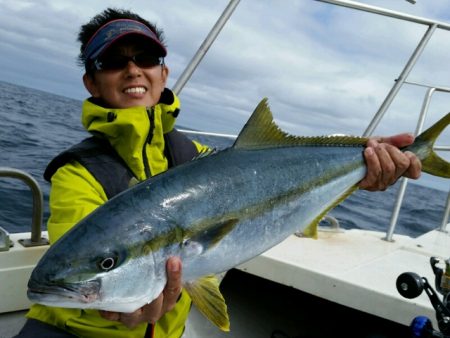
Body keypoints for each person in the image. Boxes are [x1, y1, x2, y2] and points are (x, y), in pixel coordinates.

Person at [14, 7, 421, 338]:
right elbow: (81, 267)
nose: (133, 70)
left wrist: (364, 166)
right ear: (92, 81)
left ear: (163, 74)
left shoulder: (199, 157)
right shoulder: (77, 172)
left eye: (147, 58)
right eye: (113, 61)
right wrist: (116, 312)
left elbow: (275, 185)